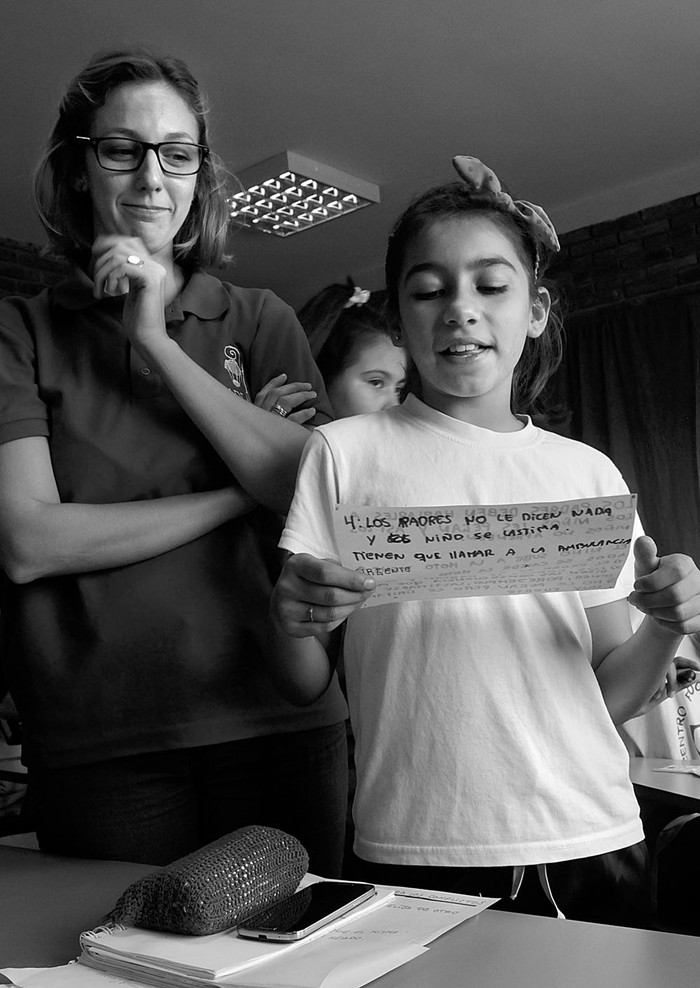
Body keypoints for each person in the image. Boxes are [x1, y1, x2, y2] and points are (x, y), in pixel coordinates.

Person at [266, 156, 700, 927]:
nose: (459, 309)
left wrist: (667, 624)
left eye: (490, 286)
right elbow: (305, 682)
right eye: (429, 290)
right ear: (399, 322)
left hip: (586, 830)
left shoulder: (584, 471)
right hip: (409, 840)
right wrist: (293, 617)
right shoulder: (344, 452)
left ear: (535, 310)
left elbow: (609, 694)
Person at [0, 48, 349, 870]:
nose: (152, 178)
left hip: (279, 718)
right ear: (79, 167)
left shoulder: (261, 319)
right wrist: (238, 490)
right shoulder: (19, 330)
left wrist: (154, 340)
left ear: (199, 177)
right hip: (103, 739)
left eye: (178, 153)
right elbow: (28, 543)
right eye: (122, 149)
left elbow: (316, 490)